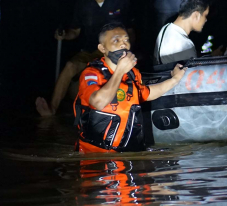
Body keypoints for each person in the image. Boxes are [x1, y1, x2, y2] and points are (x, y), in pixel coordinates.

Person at [36, 0, 131, 117]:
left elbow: (130, 31)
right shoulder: (82, 2)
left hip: (111, 53)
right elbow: (75, 31)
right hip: (88, 52)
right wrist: (64, 35)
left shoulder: (120, 0)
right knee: (70, 66)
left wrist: (127, 52)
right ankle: (52, 109)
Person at [74, 22, 186, 153]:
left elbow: (147, 93)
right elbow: (98, 102)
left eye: (126, 40)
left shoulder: (133, 73)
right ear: (102, 48)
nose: (123, 44)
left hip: (129, 152)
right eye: (116, 40)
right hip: (96, 156)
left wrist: (175, 79)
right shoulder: (91, 73)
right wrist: (119, 71)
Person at [154, 0, 210, 65]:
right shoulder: (185, 44)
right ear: (196, 15)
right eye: (205, 16)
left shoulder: (165, 28)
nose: (206, 20)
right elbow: (193, 75)